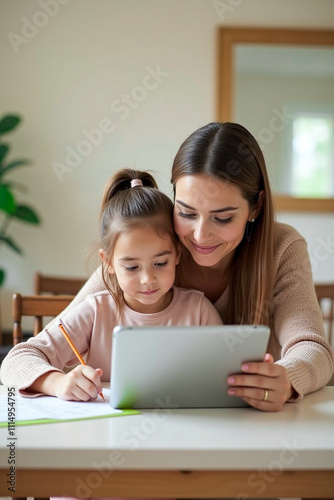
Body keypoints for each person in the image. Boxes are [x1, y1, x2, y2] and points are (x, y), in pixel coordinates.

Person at [2, 122, 333, 411]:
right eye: (187, 212)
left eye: (223, 217)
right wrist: (55, 381)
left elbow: (313, 350)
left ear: (256, 206)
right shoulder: (150, 247)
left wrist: (286, 379)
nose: (200, 235)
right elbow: (23, 357)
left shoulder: (281, 247)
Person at [0, 168, 222, 401]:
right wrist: (58, 382)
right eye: (132, 267)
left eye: (160, 263)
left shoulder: (199, 311)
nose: (147, 279)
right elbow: (15, 362)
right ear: (108, 263)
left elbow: (226, 376)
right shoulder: (97, 312)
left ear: (177, 254)